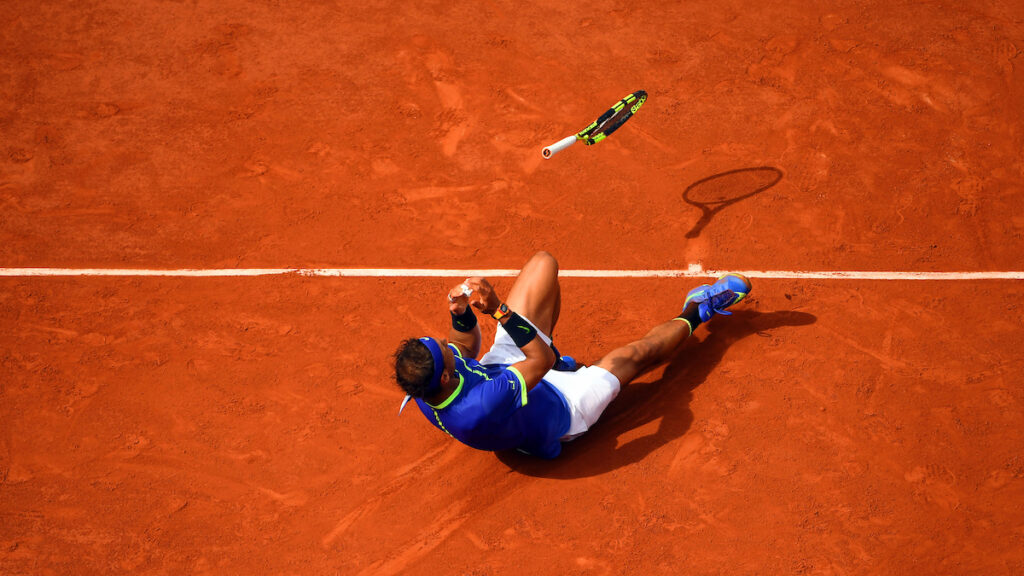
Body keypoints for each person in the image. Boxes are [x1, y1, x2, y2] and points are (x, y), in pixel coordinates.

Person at [393, 251, 751, 459]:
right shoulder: (478, 406)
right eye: (441, 347)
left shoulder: (426, 384)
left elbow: (465, 347)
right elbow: (541, 361)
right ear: (444, 376)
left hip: (501, 372)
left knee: (543, 264)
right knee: (636, 355)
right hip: (558, 410)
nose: (444, 342)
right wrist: (499, 309)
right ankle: (697, 308)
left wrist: (462, 314)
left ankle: (541, 354)